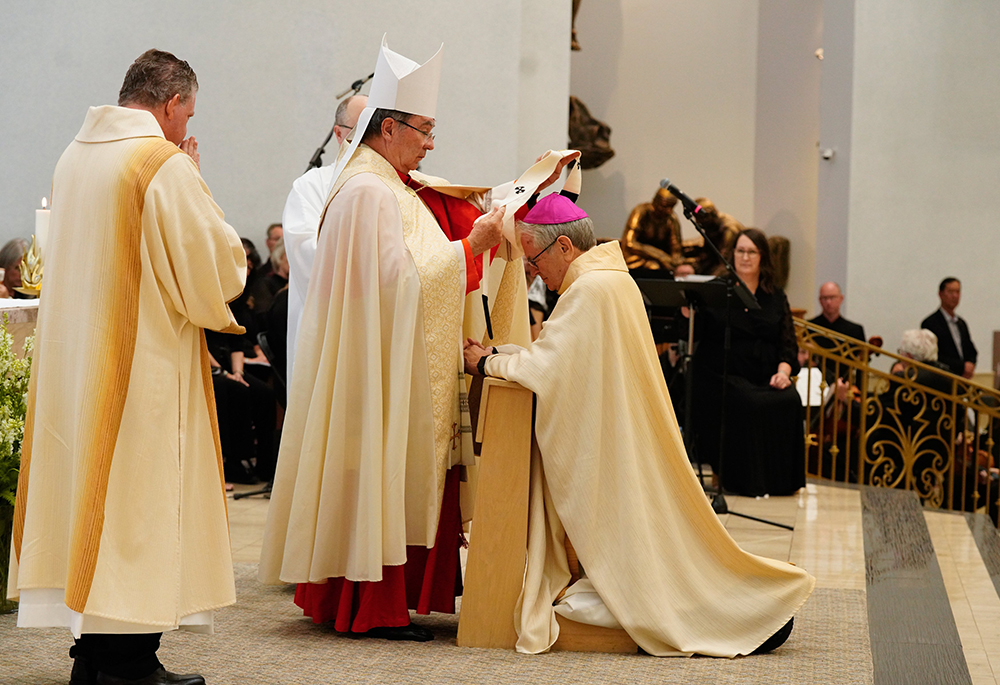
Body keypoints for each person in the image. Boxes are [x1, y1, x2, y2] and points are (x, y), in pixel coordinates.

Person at [462, 194, 814, 656]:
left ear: (564, 246)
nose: (534, 271)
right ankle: (742, 605)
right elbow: (563, 359)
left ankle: (735, 613)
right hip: (623, 435)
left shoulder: (589, 290)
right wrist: (504, 357)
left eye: (535, 258)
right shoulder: (611, 279)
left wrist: (488, 363)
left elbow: (550, 371)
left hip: (608, 447)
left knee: (637, 557)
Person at [8, 50, 246, 685]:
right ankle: (127, 666)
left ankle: (94, 659)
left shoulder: (73, 156)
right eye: (187, 114)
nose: (186, 127)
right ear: (171, 105)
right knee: (136, 516)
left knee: (98, 513)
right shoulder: (160, 164)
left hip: (79, 368)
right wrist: (197, 177)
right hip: (141, 369)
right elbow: (215, 269)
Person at [259, 39, 504, 642]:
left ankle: (372, 597)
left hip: (384, 357)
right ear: (388, 128)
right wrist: (472, 248)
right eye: (424, 130)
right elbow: (401, 283)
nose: (429, 143)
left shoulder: (384, 183)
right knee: (381, 470)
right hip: (378, 367)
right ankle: (371, 603)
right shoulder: (368, 191)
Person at [692, 228, 805, 496]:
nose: (745, 257)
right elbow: (698, 334)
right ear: (732, 255)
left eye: (751, 251)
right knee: (750, 403)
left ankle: (781, 482)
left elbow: (787, 342)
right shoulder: (717, 290)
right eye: (740, 251)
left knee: (789, 399)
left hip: (765, 374)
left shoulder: (775, 295)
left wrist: (783, 372)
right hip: (722, 374)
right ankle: (746, 481)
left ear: (762, 257)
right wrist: (689, 312)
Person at [282, 93, 368, 384]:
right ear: (338, 134)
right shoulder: (311, 187)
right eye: (358, 130)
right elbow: (309, 255)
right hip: (327, 335)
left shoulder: (395, 188)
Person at [921, 277, 977, 378]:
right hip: (941, 378)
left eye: (958, 292)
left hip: (962, 379)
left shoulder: (961, 323)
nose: (955, 296)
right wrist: (961, 366)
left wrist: (970, 365)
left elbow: (971, 350)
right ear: (940, 294)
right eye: (950, 292)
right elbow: (932, 355)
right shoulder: (930, 323)